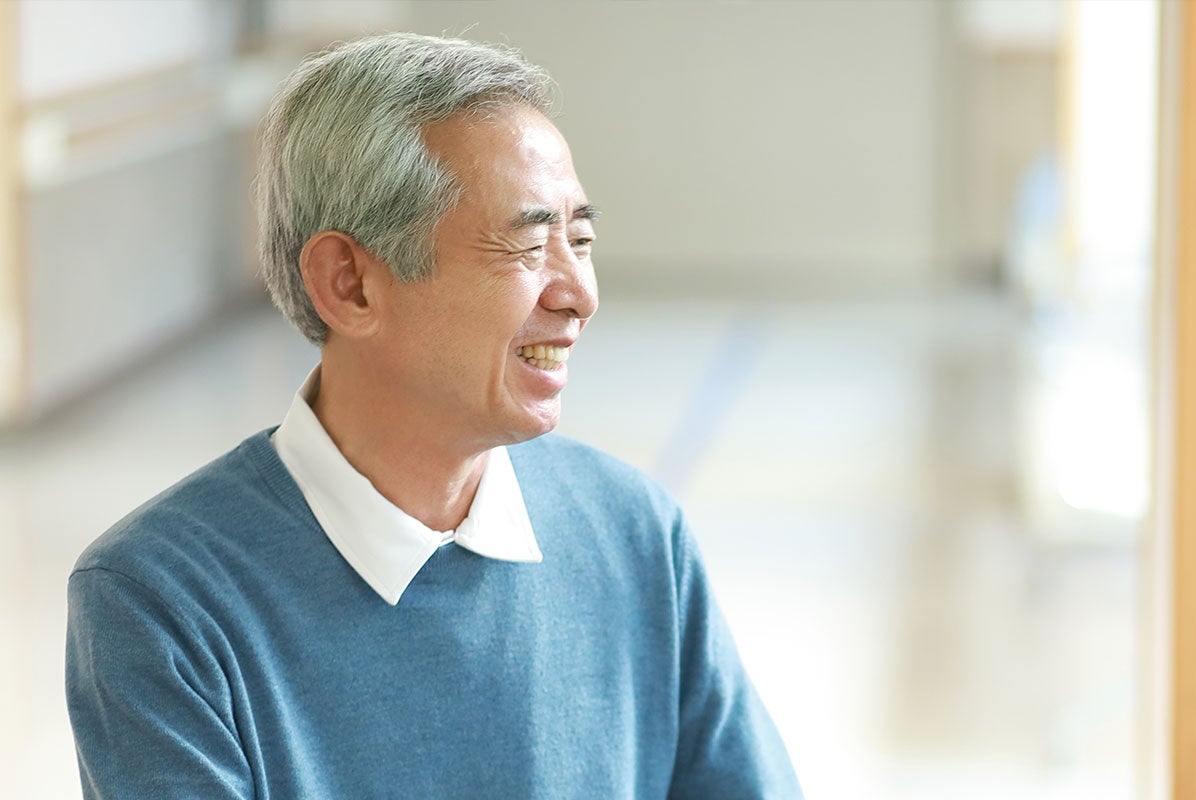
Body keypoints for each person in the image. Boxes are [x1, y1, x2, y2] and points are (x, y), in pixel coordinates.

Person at [65, 33, 800, 799]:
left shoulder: (634, 532)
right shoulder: (159, 598)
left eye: (579, 239)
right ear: (348, 283)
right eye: (526, 246)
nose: (578, 293)